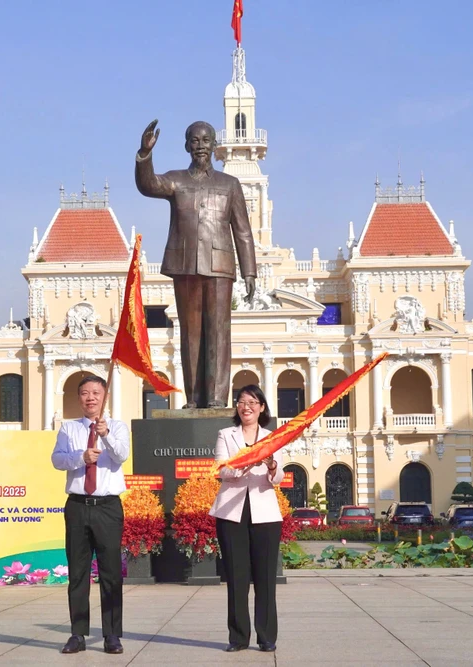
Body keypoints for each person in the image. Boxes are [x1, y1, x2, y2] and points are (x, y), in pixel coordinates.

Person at [135, 119, 257, 408]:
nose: (200, 145)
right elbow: (148, 184)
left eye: (205, 140)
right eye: (194, 140)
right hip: (185, 264)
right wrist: (145, 154)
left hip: (220, 265)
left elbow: (242, 230)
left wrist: (249, 271)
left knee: (218, 331)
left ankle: (216, 399)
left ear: (214, 146)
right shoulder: (176, 180)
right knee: (190, 333)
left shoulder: (230, 184)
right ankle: (193, 399)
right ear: (187, 146)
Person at [51, 375, 130, 655]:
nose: (90, 398)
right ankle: (77, 633)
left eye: (96, 392)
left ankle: (112, 634)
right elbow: (57, 460)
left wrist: (105, 435)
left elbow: (121, 456)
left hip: (107, 507)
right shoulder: (69, 428)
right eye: (85, 393)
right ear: (79, 398)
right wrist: (79, 458)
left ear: (104, 395)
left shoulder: (118, 426)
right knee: (78, 572)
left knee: (110, 573)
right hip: (77, 505)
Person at [209, 384, 284, 653]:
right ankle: (238, 637)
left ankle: (266, 637)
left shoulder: (272, 436)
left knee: (265, 578)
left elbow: (279, 478)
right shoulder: (225, 434)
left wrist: (272, 465)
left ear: (262, 407)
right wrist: (246, 464)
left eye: (252, 402)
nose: (246, 406)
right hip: (232, 512)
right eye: (241, 401)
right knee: (237, 578)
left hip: (265, 513)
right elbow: (222, 469)